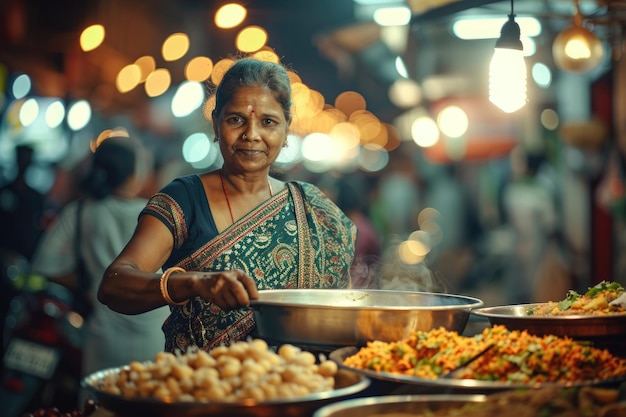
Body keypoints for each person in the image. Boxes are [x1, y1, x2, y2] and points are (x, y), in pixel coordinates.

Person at [98, 58, 356, 353]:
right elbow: (114, 285)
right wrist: (194, 284)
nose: (251, 134)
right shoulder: (185, 199)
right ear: (217, 125)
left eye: (268, 122)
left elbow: (341, 308)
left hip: (298, 383)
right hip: (206, 387)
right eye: (236, 119)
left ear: (286, 131)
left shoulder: (313, 208)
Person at [31, 133, 170, 376]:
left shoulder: (81, 212)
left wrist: (90, 284)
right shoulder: (156, 213)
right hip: (156, 332)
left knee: (100, 406)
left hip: (104, 334)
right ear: (134, 174)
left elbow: (44, 266)